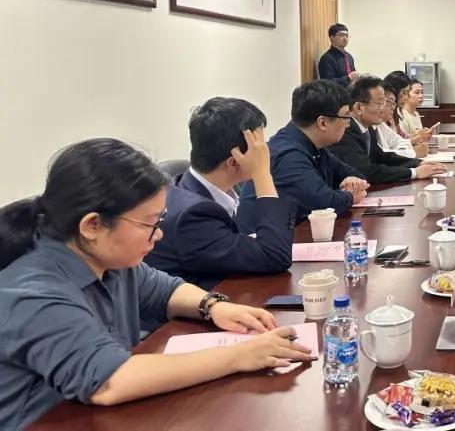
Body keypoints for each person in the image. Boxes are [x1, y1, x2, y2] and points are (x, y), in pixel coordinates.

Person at [0, 139, 315, 430]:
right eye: (150, 224)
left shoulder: (108, 259)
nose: (159, 234)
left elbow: (165, 290)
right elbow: (110, 382)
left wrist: (213, 306)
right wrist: (240, 356)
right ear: (92, 225)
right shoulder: (32, 293)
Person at [144, 98, 293, 291]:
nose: (265, 153)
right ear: (234, 161)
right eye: (259, 149)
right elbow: (275, 256)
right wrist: (262, 173)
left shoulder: (197, 187)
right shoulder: (193, 216)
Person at [236, 80, 368, 227]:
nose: (348, 124)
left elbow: (357, 175)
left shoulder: (314, 145)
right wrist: (350, 195)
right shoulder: (288, 153)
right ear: (322, 123)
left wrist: (352, 180)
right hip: (260, 237)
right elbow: (325, 203)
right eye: (345, 117)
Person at [330, 76, 447, 184]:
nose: (383, 108)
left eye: (385, 103)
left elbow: (382, 157)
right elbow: (367, 171)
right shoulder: (344, 131)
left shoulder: (367, 127)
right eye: (379, 103)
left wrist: (418, 163)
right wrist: (414, 173)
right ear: (359, 107)